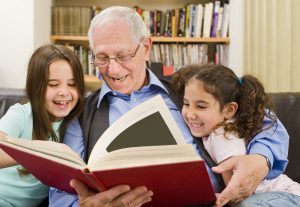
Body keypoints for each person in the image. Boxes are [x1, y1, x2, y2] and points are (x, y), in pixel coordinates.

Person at [49, 6, 289, 207]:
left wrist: (261, 159)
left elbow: (263, 119)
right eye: (101, 58)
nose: (112, 69)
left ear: (145, 48)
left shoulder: (188, 86)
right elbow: (60, 192)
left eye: (123, 56)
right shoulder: (81, 115)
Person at [177, 64, 300, 206]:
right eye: (186, 104)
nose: (190, 114)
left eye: (201, 106)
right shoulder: (229, 124)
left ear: (229, 109)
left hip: (283, 195)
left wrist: (218, 198)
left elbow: (236, 190)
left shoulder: (221, 135)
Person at [0, 44, 85, 206]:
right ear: (36, 87)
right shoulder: (22, 114)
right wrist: (41, 150)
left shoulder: (77, 123)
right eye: (53, 84)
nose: (64, 92)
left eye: (72, 84)